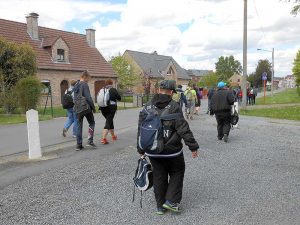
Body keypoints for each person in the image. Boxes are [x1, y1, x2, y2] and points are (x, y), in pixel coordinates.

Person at [137, 80, 199, 215]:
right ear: (171, 92)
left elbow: (141, 129)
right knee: (177, 171)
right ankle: (171, 201)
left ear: (159, 90)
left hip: (152, 151)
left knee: (159, 175)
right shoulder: (174, 106)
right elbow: (183, 129)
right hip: (172, 151)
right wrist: (193, 146)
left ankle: (160, 206)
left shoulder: (147, 106)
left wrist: (141, 149)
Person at [73, 71, 96, 151]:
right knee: (92, 123)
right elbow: (88, 97)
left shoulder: (76, 84)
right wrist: (93, 108)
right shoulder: (84, 84)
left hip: (77, 108)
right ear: (85, 76)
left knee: (79, 125)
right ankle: (90, 141)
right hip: (85, 107)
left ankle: (78, 145)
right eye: (88, 78)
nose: (88, 80)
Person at [99, 79, 121, 145]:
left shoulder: (102, 89)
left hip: (103, 108)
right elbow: (119, 98)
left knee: (110, 121)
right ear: (111, 83)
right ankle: (103, 139)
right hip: (111, 108)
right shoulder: (113, 90)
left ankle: (113, 136)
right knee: (108, 122)